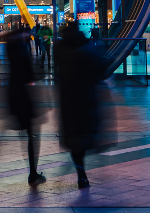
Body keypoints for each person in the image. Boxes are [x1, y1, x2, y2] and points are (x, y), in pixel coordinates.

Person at [0, 24, 44, 190]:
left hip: (12, 95)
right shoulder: (21, 48)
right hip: (23, 97)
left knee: (3, 138)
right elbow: (29, 75)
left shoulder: (11, 46)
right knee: (31, 137)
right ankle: (32, 173)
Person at [55, 21, 106, 188]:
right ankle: (83, 170)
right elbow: (101, 70)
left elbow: (57, 72)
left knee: (73, 136)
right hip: (86, 98)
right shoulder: (87, 48)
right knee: (85, 133)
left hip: (67, 99)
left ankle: (81, 173)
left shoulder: (59, 48)